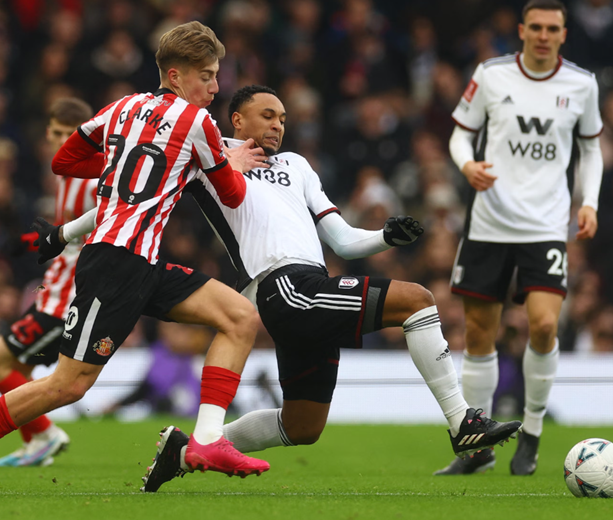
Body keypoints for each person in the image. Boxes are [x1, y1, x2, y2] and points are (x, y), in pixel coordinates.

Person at [43, 85, 522, 492]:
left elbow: (341, 240)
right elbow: (132, 196)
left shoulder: (297, 165)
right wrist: (63, 234)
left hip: (312, 283)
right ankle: (462, 423)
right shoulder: (206, 147)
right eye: (267, 115)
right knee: (417, 300)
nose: (278, 125)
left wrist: (383, 237)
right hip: (279, 286)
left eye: (283, 118)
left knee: (303, 427)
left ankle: (185, 450)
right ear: (236, 118)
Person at [0, 21, 271, 497]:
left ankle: (207, 440)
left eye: (216, 76)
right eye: (206, 76)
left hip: (140, 262)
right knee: (67, 385)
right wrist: (228, 164)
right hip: (113, 265)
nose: (214, 87)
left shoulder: (123, 108)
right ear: (175, 76)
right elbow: (231, 196)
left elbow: (64, 161)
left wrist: (121, 161)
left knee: (238, 316)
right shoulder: (198, 124)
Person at [438, 0, 604, 476]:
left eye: (553, 29)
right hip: (489, 222)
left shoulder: (582, 85)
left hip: (546, 225)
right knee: (480, 335)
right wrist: (467, 165)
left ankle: (531, 431)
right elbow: (459, 133)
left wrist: (588, 202)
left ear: (563, 34)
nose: (544, 36)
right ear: (522, 29)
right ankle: (478, 446)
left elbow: (591, 150)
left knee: (545, 325)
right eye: (536, 28)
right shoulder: (491, 74)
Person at [0, 97, 95, 468]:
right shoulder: (64, 174)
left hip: (66, 300)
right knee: (20, 373)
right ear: (47, 132)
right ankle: (35, 443)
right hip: (53, 292)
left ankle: (45, 433)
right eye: (57, 133)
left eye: (70, 134)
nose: (62, 140)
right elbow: (65, 236)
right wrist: (28, 242)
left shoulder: (92, 180)